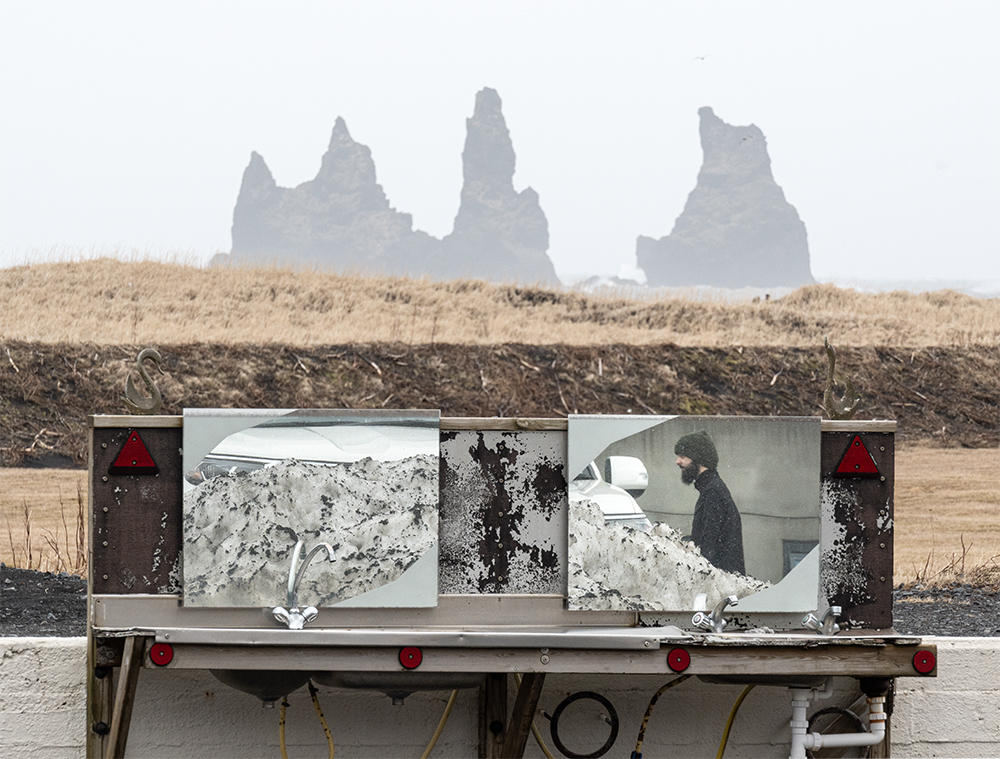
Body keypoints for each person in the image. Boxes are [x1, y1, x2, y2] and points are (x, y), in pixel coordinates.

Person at [674, 430, 746, 575]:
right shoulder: (712, 488)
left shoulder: (712, 492)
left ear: (698, 459)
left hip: (720, 583)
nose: (678, 461)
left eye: (683, 456)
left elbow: (708, 546)